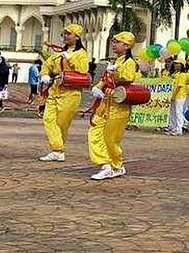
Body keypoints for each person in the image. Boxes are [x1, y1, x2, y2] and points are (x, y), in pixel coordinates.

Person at [87, 32, 138, 180]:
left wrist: (115, 71)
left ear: (126, 45)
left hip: (119, 106)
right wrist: (97, 87)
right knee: (94, 132)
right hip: (105, 104)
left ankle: (117, 165)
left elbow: (127, 78)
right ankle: (105, 165)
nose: (113, 44)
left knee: (111, 139)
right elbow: (104, 79)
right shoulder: (115, 61)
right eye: (114, 41)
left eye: (117, 42)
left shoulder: (129, 63)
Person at [38, 24, 90, 162]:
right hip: (55, 90)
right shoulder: (58, 53)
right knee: (48, 119)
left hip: (71, 93)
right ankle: (57, 149)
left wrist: (69, 58)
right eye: (64, 34)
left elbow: (83, 70)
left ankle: (58, 150)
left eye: (68, 34)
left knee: (62, 124)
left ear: (77, 37)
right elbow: (47, 65)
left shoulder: (81, 54)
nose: (65, 36)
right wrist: (44, 74)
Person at [166, 58, 189, 136]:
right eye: (175, 64)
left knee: (178, 112)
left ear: (181, 65)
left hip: (180, 96)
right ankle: (173, 127)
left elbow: (179, 87)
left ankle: (179, 129)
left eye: (178, 64)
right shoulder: (176, 74)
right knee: (173, 112)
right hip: (174, 95)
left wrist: (174, 96)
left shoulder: (182, 75)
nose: (176, 65)